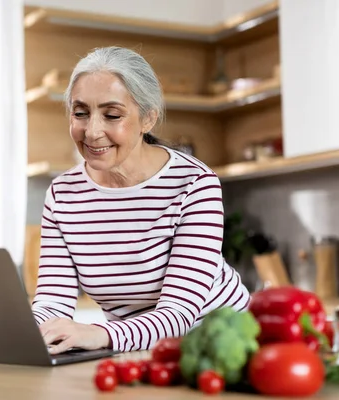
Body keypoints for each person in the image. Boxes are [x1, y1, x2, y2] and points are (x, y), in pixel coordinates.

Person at [31, 46, 250, 355]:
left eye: (112, 115)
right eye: (80, 113)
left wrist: (100, 334)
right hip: (140, 350)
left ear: (148, 119)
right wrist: (20, 330)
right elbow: (53, 300)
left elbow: (179, 314)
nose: (92, 131)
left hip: (219, 345)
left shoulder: (194, 184)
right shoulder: (63, 193)